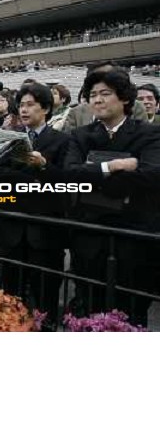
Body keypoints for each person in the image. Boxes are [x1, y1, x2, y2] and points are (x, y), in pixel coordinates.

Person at [64, 70, 160, 326]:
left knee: (131, 313)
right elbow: (70, 174)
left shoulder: (149, 134)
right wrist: (113, 166)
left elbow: (150, 176)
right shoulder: (80, 135)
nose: (97, 100)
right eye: (93, 95)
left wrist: (92, 172)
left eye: (105, 94)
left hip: (134, 237)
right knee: (89, 308)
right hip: (89, 236)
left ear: (125, 99)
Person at [0, 83, 71, 328]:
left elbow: (66, 183)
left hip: (45, 234)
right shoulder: (10, 138)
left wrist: (44, 167)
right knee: (10, 296)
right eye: (21, 105)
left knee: (44, 297)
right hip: (11, 230)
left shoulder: (63, 141)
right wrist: (31, 176)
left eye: (30, 105)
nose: (23, 110)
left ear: (46, 108)